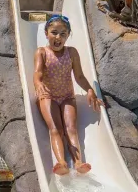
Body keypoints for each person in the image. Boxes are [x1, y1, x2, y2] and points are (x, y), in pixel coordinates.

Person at [34, 14, 104, 176]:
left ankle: (78, 162)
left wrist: (89, 90)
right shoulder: (42, 52)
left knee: (71, 128)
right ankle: (62, 162)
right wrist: (38, 84)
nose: (58, 37)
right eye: (54, 32)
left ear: (68, 36)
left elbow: (79, 76)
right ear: (46, 33)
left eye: (63, 34)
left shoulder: (71, 53)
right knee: (56, 129)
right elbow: (37, 72)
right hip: (47, 96)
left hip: (67, 96)